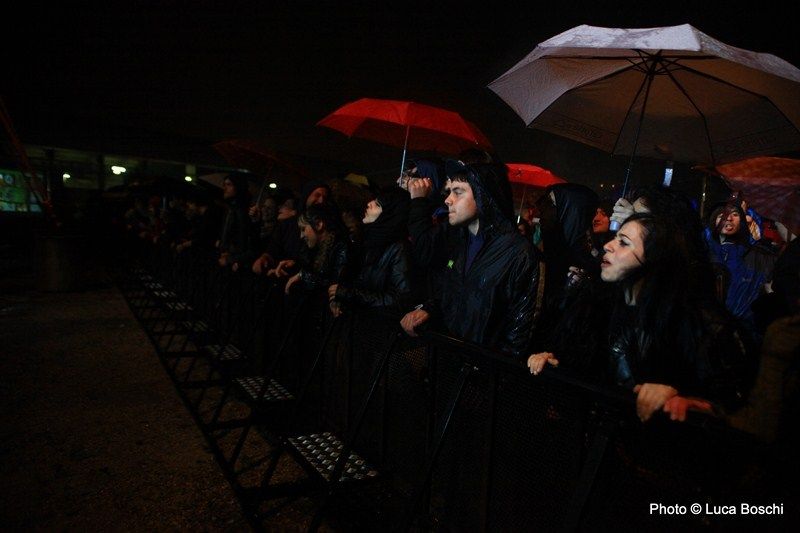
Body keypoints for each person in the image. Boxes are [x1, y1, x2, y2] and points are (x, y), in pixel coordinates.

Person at [528, 213, 752, 422]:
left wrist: (688, 401)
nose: (608, 245)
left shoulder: (696, 320)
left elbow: (733, 405)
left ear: (655, 259)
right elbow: (592, 371)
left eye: (624, 243)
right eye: (615, 238)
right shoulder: (600, 305)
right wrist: (556, 363)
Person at [400, 162, 540, 359]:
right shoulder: (458, 240)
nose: (448, 200)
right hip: (446, 358)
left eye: (458, 192)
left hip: (480, 372)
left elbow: (519, 329)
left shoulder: (518, 253)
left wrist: (495, 372)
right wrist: (429, 309)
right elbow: (450, 293)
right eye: (449, 192)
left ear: (483, 196)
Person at [328, 187, 413, 316]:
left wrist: (349, 294)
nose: (369, 204)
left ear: (389, 214)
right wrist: (341, 298)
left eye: (378, 205)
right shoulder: (364, 240)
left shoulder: (398, 249)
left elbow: (399, 300)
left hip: (376, 328)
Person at [706, 202, 777, 344]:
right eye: (722, 215)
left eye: (735, 214)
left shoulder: (759, 257)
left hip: (744, 336)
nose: (729, 218)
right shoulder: (702, 254)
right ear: (714, 221)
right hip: (706, 334)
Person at [218, 172, 255, 269]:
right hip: (227, 257)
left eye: (229, 185)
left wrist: (232, 258)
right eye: (224, 185)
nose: (224, 188)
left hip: (233, 262)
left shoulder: (242, 211)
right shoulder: (231, 208)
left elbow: (243, 240)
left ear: (238, 187)